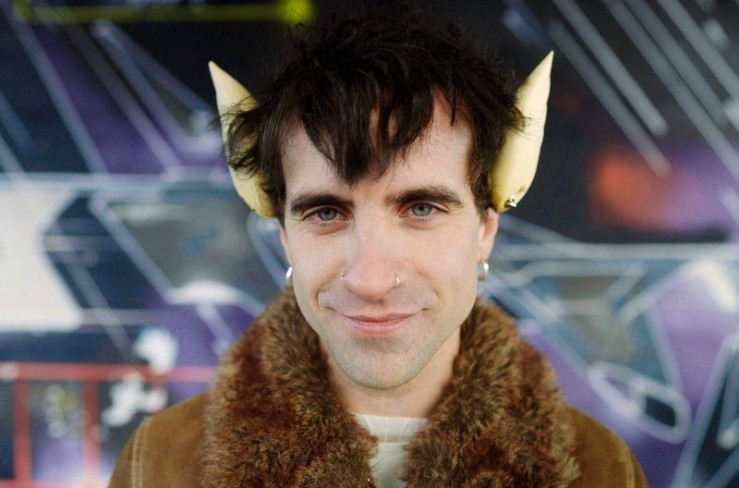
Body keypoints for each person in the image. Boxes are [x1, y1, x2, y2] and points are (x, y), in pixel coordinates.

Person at [108, 8, 647, 488]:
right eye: (326, 212)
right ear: (286, 238)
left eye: (421, 209)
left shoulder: (601, 470)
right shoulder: (158, 465)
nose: (370, 279)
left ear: (484, 229)